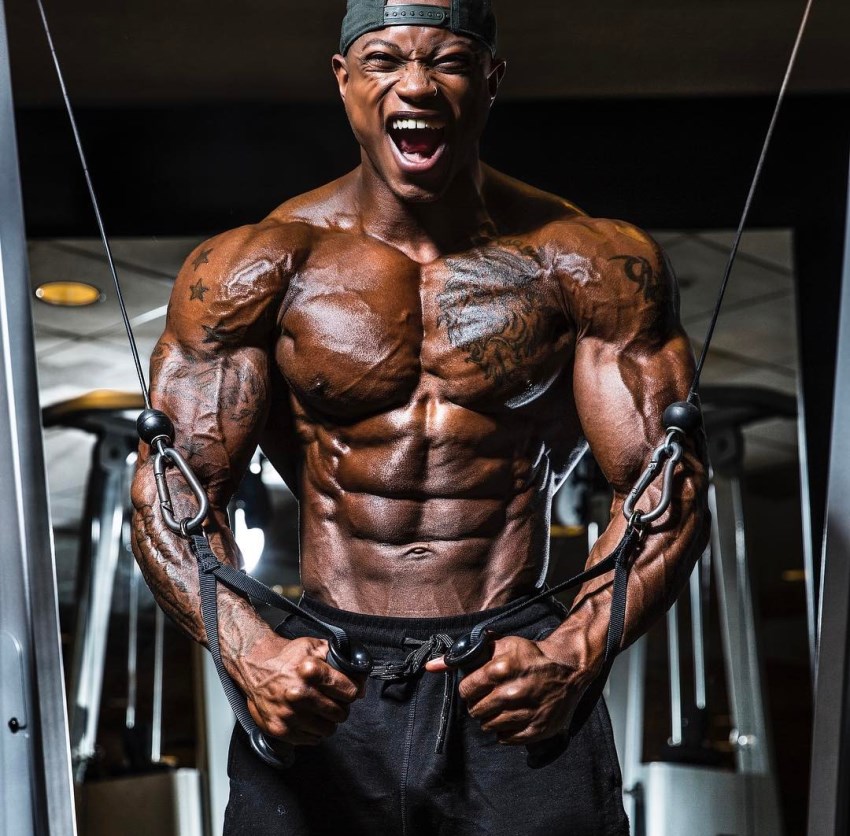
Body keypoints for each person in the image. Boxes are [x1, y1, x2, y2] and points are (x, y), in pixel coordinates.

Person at [131, 0, 709, 832]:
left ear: (490, 80)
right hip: (322, 676)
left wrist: (574, 657)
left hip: (516, 672)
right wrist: (251, 654)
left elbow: (668, 485)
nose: (416, 84)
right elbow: (173, 491)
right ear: (344, 81)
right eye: (384, 60)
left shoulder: (587, 263)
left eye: (446, 60)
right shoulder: (258, 266)